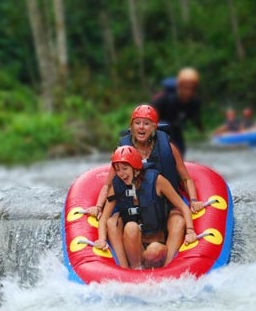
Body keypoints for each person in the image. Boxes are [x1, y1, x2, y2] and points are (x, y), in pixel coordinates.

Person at [87, 104, 204, 267]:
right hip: (134, 223)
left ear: (154, 127)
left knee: (172, 227)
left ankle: (168, 268)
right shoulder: (120, 164)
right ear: (131, 126)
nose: (141, 127)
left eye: (146, 123)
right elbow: (107, 186)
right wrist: (98, 208)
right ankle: (126, 269)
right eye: (138, 123)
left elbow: (186, 180)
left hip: (161, 209)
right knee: (116, 223)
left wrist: (193, 201)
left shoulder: (158, 175)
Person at [94, 146, 197, 269]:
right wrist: (102, 239)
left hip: (158, 243)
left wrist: (190, 231)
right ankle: (132, 269)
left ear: (136, 168)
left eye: (125, 169)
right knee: (125, 225)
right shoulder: (116, 186)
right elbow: (104, 218)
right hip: (135, 246)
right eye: (118, 170)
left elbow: (183, 207)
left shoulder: (157, 180)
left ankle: (167, 268)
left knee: (159, 244)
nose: (121, 174)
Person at [152, 67, 204, 156]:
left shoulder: (195, 102)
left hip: (176, 131)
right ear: (179, 87)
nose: (188, 92)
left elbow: (195, 117)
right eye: (186, 88)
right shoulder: (164, 100)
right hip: (159, 131)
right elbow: (150, 116)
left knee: (180, 151)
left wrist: (201, 129)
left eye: (192, 88)